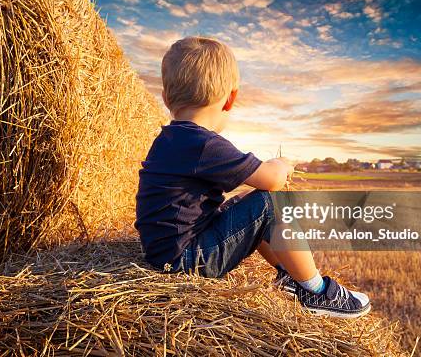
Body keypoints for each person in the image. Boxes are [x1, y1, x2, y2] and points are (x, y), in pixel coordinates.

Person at [135, 36, 370, 318]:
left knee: (246, 204)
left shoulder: (171, 138)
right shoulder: (203, 143)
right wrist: (282, 163)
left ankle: (289, 277)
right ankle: (317, 292)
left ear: (165, 97)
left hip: (166, 254)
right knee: (270, 203)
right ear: (231, 99)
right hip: (186, 261)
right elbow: (271, 180)